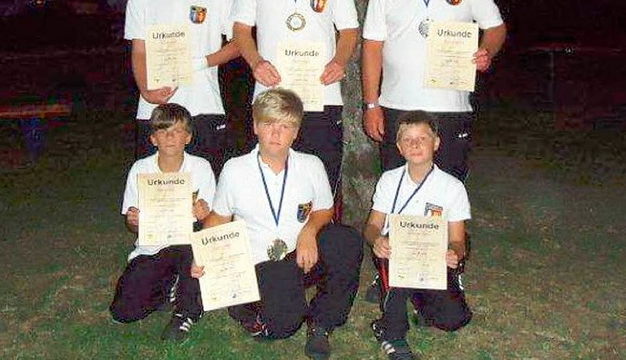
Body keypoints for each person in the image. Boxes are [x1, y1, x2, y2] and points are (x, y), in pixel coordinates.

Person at [192, 88, 363, 360]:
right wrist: (200, 254)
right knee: (283, 326)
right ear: (256, 126)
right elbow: (219, 218)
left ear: (296, 132)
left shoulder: (311, 164)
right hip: (260, 264)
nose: (276, 133)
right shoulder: (235, 169)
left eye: (285, 126)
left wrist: (309, 230)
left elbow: (324, 209)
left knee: (346, 239)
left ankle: (322, 322)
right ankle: (247, 308)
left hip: (301, 256)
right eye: (269, 124)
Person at [362, 0, 507, 182]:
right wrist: (371, 104)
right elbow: (372, 47)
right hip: (397, 105)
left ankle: (451, 229)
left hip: (451, 105)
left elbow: (496, 28)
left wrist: (487, 50)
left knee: (449, 189)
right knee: (398, 190)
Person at [231, 0, 359, 199]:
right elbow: (240, 30)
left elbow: (350, 30)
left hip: (321, 95)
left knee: (321, 183)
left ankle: (318, 244)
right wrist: (256, 63)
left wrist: (339, 62)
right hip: (271, 95)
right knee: (272, 182)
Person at [125, 0, 239, 174]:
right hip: (156, 110)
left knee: (206, 197)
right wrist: (146, 90)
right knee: (160, 198)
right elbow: (139, 51)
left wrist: (198, 63)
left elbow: (239, 44)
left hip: (204, 106)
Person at [364, 111, 472, 360]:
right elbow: (372, 226)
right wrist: (377, 240)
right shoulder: (389, 180)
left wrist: (454, 253)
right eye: (408, 140)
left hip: (432, 258)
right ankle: (392, 333)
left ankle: (413, 295)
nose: (415, 144)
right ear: (399, 147)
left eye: (422, 138)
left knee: (453, 319)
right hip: (394, 252)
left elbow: (457, 239)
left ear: (436, 143)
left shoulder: (452, 187)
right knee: (395, 260)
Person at [110, 103, 216, 342]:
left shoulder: (201, 167)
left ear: (188, 137)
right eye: (163, 131)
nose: (170, 137)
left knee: (192, 252)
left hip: (188, 244)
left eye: (177, 131)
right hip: (152, 247)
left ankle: (185, 313)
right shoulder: (140, 168)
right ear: (153, 138)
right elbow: (132, 226)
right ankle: (167, 285)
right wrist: (134, 221)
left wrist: (205, 214)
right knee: (123, 313)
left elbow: (211, 220)